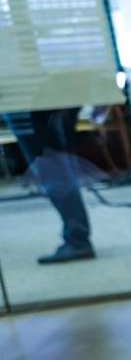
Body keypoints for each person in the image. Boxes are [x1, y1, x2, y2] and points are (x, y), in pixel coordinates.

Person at [3, 108, 96, 263]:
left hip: (25, 102)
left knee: (51, 169)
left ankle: (78, 240)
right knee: (57, 164)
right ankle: (77, 237)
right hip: (48, 97)